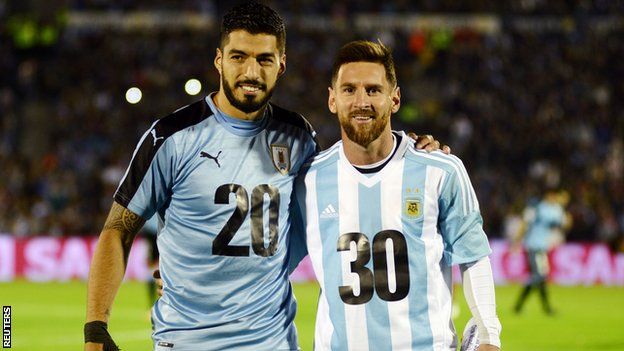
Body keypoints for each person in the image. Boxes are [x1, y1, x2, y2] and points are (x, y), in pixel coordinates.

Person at [84, 3, 445, 351]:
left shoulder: (299, 138)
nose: (251, 72)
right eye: (239, 57)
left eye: (264, 59)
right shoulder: (172, 137)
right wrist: (96, 328)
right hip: (187, 341)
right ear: (219, 60)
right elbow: (118, 228)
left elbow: (338, 199)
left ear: (281, 65)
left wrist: (410, 150)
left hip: (273, 342)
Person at [292, 40, 501, 350]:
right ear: (332, 100)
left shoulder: (441, 171)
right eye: (349, 90)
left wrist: (488, 337)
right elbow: (272, 264)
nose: (361, 101)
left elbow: (473, 256)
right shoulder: (307, 179)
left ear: (395, 98)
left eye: (373, 90)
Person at [513, 189, 571, 315]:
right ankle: (546, 308)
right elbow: (525, 223)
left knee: (538, 277)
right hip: (533, 246)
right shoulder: (537, 208)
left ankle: (519, 306)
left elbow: (566, 225)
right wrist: (517, 240)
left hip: (542, 248)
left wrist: (564, 207)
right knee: (539, 276)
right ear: (549, 195)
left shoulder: (557, 210)